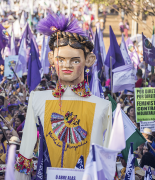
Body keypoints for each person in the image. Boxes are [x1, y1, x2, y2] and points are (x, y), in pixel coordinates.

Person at [15, 13, 112, 180]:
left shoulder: (103, 105)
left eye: (75, 60)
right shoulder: (37, 99)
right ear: (52, 59)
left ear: (89, 60)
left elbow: (108, 153)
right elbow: (26, 148)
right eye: (61, 59)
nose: (66, 65)